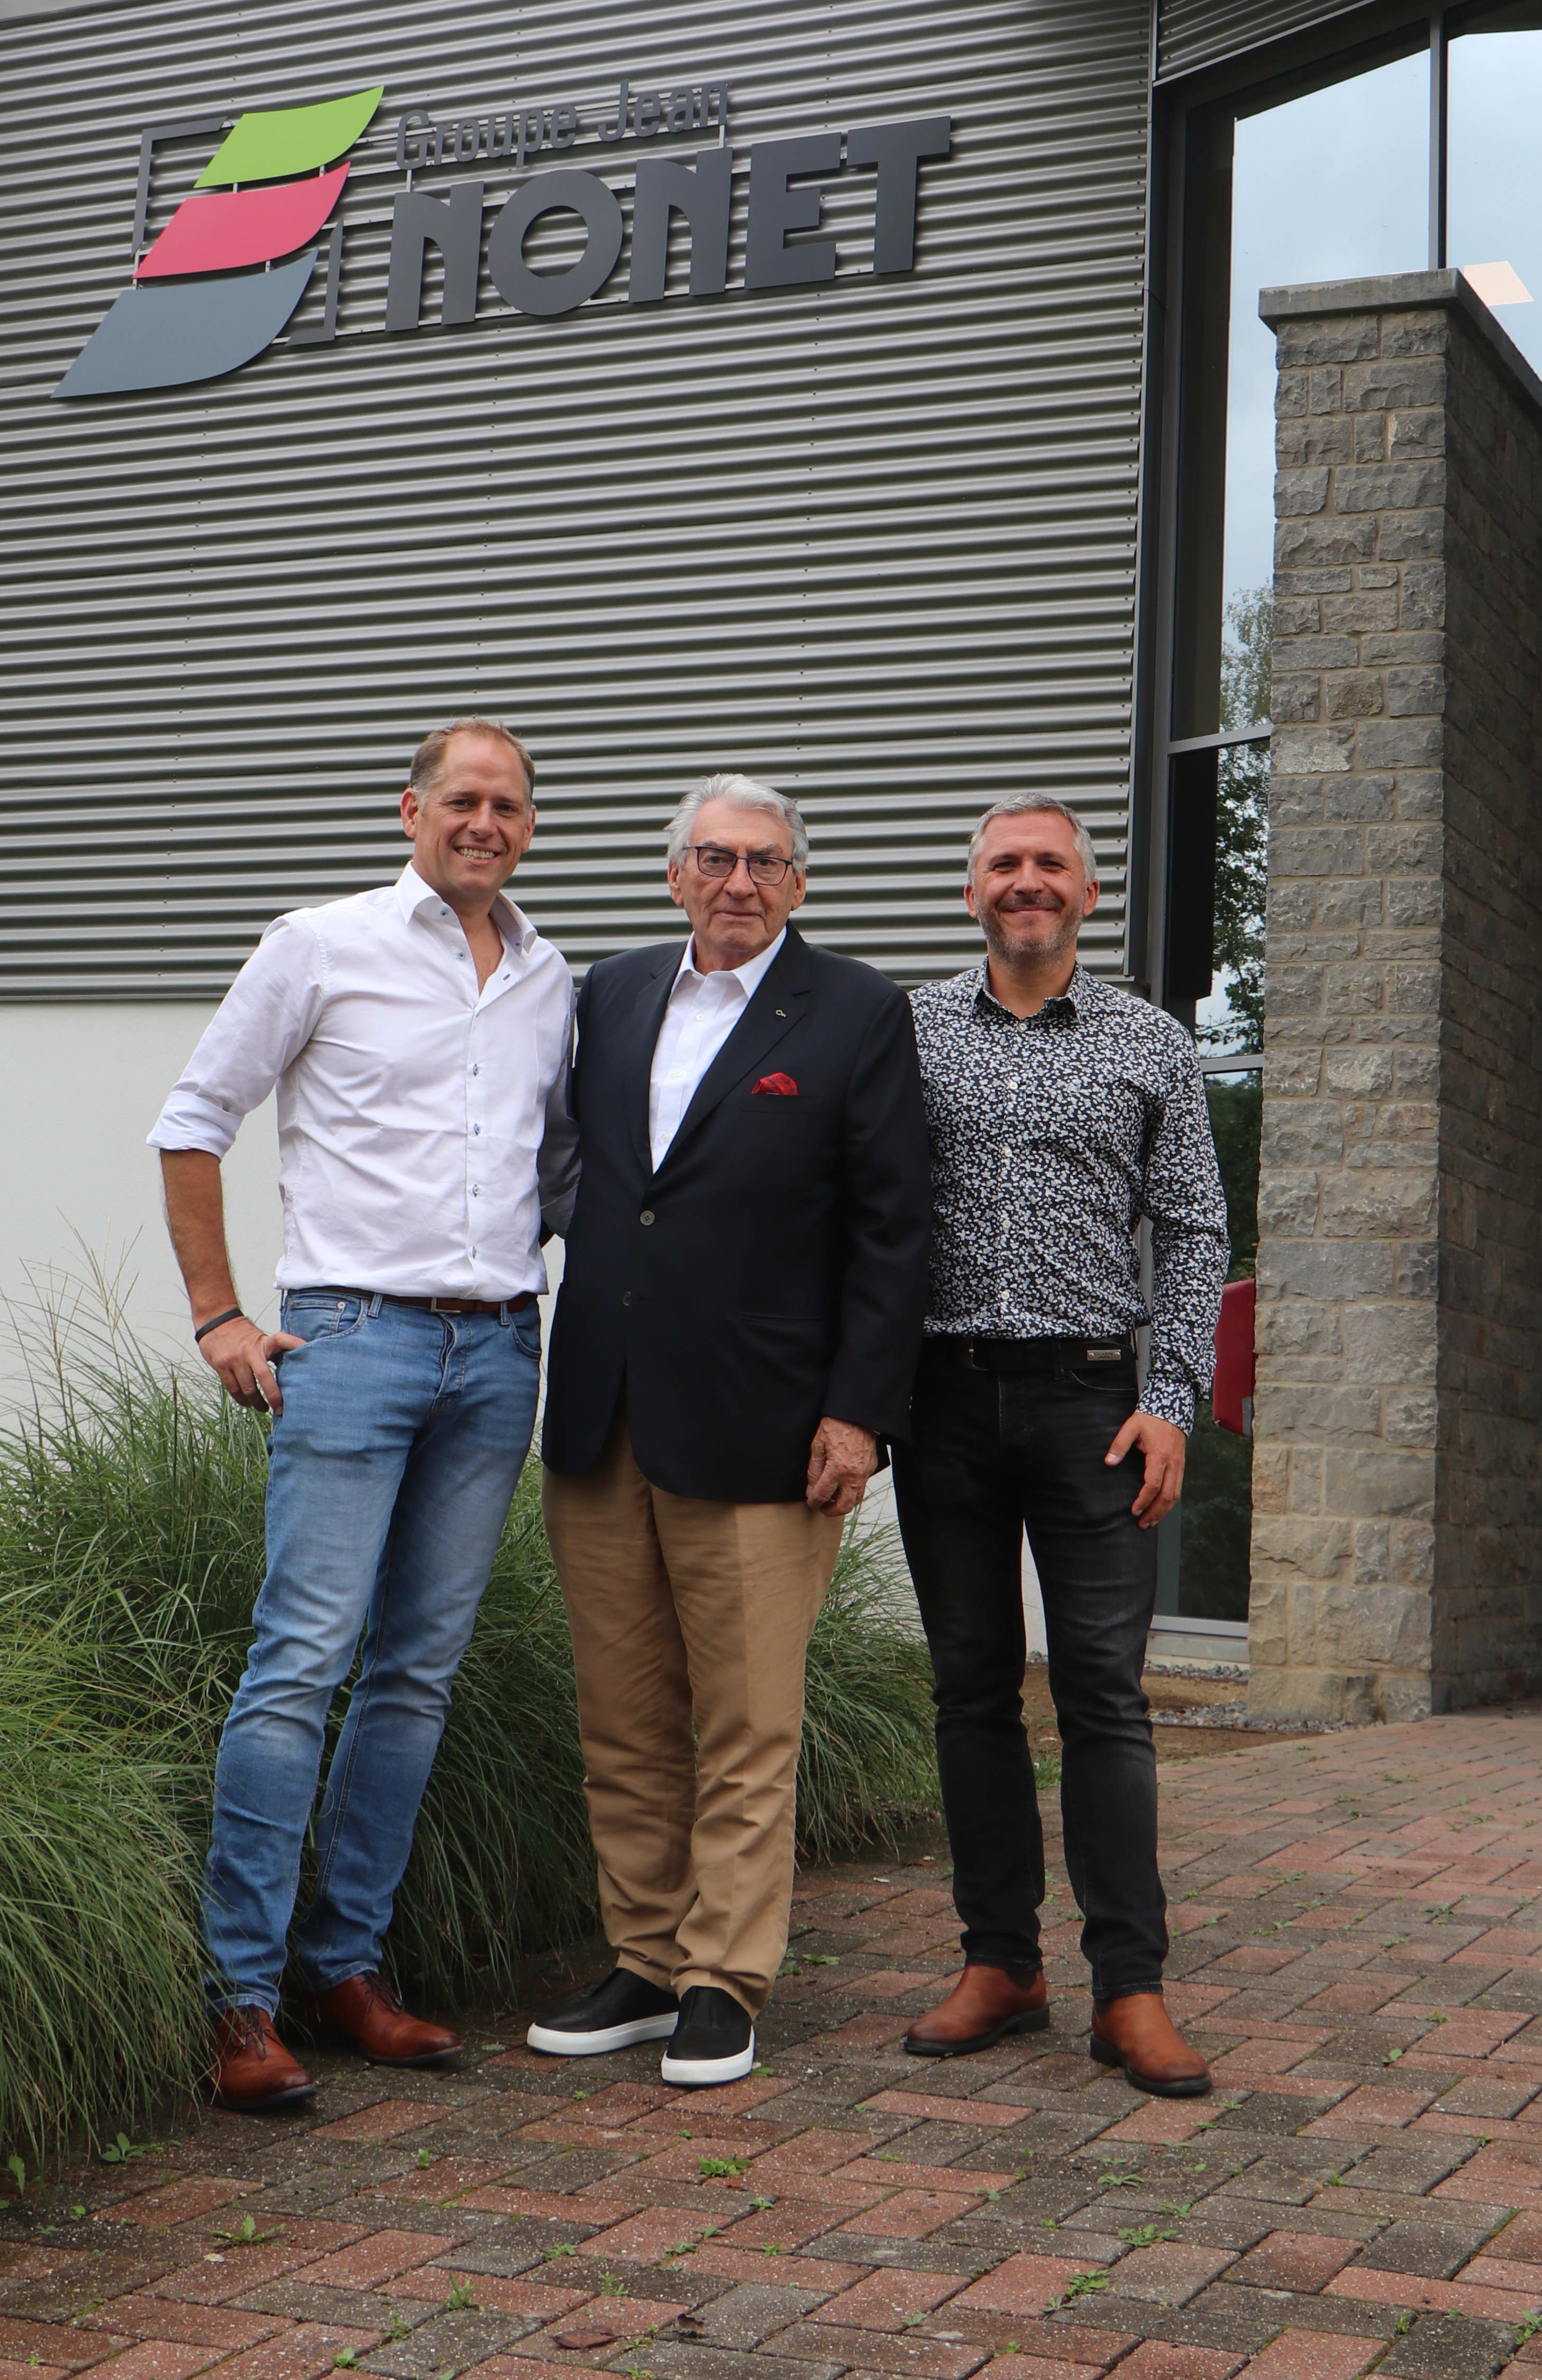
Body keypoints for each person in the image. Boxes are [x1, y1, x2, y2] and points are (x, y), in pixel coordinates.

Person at [148, 718, 575, 2113]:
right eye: (462, 798)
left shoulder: (549, 977)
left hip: (497, 1350)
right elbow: (192, 1120)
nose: (484, 821)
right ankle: (241, 2000)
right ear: (411, 810)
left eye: (508, 804)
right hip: (348, 1338)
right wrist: (219, 1313)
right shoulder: (317, 944)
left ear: (529, 824)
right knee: (300, 1661)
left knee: (416, 1672)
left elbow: (562, 1165)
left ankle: (344, 1968)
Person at [526, 772, 930, 2088]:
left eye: (763, 861)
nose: (737, 881)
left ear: (797, 882)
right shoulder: (611, 992)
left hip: (764, 1422)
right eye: (713, 857)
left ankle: (722, 1977)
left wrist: (858, 1413)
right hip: (602, 1412)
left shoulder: (857, 1010)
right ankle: (644, 1961)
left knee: (747, 1724)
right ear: (673, 875)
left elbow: (891, 1232)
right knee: (623, 1716)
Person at [894, 796, 1228, 2096]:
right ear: (969, 890)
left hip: (1093, 1408)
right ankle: (1000, 1964)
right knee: (970, 1690)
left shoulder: (1149, 1041)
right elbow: (859, 1212)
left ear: (1088, 894)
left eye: (1048, 864)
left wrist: (1173, 1397)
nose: (1024, 880)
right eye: (1002, 863)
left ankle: (1128, 1989)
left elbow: (1192, 1229)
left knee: (1102, 1696)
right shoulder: (907, 1031)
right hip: (940, 1403)